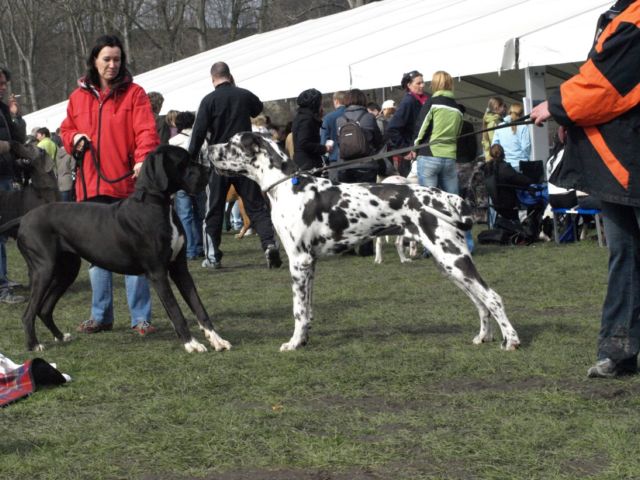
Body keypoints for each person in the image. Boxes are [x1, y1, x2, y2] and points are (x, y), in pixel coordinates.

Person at [531, 0, 640, 378]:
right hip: (615, 160)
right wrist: (569, 116)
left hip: (631, 155)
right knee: (623, 255)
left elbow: (608, 83)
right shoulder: (618, 14)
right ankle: (619, 351)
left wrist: (559, 106)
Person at [60, 34, 159, 336]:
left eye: (117, 59)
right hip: (90, 189)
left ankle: (140, 318)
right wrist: (74, 138)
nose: (113, 65)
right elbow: (66, 129)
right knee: (95, 256)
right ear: (94, 61)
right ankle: (100, 316)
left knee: (136, 254)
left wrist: (142, 160)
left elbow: (146, 132)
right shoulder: (78, 97)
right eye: (107, 59)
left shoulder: (135, 94)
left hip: (126, 187)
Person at [188, 61, 282, 270]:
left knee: (213, 209)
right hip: (244, 160)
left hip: (219, 161)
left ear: (213, 79)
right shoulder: (243, 94)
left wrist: (190, 159)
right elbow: (258, 108)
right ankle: (269, 244)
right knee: (256, 206)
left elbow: (199, 131)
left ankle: (212, 256)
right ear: (230, 76)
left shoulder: (208, 100)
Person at [0, 65, 26, 304]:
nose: (4, 87)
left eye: (4, 83)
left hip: (6, 175)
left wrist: (15, 115)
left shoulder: (2, 109)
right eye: (0, 83)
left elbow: (18, 139)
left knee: (5, 230)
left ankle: (3, 278)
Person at [169, 111, 205, 260]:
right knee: (200, 215)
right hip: (199, 179)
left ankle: (189, 250)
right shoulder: (200, 139)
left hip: (182, 180)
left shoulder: (173, 141)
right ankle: (201, 246)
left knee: (185, 216)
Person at [336, 88, 383, 184]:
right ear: (363, 100)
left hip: (344, 166)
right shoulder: (369, 117)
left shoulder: (340, 120)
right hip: (366, 164)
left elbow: (339, 143)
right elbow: (378, 140)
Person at [386, 70, 429, 176]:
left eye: (423, 82)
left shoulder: (423, 100)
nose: (422, 85)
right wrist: (405, 150)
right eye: (418, 83)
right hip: (411, 156)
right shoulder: (408, 101)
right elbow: (392, 128)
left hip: (421, 152)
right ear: (409, 85)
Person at [291, 88, 331, 172]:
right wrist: (324, 148)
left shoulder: (301, 116)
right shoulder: (306, 119)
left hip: (305, 162)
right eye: (320, 103)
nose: (321, 105)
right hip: (308, 164)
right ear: (315, 103)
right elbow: (304, 143)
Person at [491, 102, 531, 171]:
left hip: (505, 166)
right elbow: (526, 147)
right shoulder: (523, 127)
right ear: (521, 114)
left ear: (509, 112)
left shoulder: (500, 126)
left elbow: (494, 145)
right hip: (521, 165)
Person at [320, 91, 347, 179]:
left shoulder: (328, 118)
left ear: (336, 101)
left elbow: (324, 141)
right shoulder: (352, 114)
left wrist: (325, 158)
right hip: (355, 157)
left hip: (335, 159)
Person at [481, 96, 507, 161]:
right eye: (504, 106)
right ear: (496, 107)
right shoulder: (494, 122)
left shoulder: (490, 120)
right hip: (495, 157)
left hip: (492, 156)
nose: (505, 108)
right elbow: (494, 142)